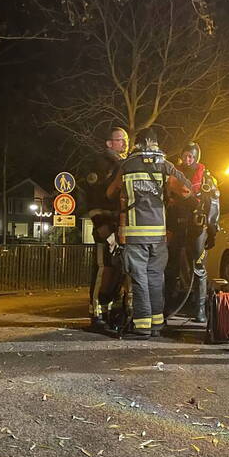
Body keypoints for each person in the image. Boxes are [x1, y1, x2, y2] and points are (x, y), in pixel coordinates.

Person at [107, 127, 196, 339]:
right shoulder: (165, 166)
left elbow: (110, 192)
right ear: (155, 144)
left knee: (139, 278)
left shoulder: (126, 166)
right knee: (156, 278)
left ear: (137, 144)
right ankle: (156, 324)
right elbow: (187, 190)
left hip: (133, 233)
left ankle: (142, 325)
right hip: (158, 234)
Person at [80, 126, 128, 331]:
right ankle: (96, 313)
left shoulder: (124, 164)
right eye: (120, 140)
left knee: (118, 269)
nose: (125, 143)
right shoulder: (99, 164)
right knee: (104, 268)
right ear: (109, 143)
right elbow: (93, 197)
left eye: (126, 139)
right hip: (105, 225)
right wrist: (100, 224)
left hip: (120, 225)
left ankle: (110, 311)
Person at [171, 143, 220, 323]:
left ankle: (199, 309)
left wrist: (212, 229)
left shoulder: (206, 176)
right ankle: (175, 304)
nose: (187, 160)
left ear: (196, 157)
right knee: (174, 265)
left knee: (198, 267)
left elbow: (214, 203)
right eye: (185, 156)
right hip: (176, 225)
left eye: (191, 157)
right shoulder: (173, 174)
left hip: (198, 226)